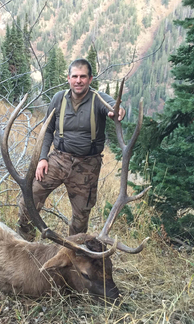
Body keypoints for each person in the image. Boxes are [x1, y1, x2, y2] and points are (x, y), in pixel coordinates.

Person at [17, 58, 126, 241]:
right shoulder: (59, 98)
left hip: (87, 166)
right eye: (74, 76)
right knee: (28, 199)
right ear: (68, 78)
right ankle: (26, 243)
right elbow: (47, 130)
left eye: (83, 77)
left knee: (80, 219)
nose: (78, 80)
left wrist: (117, 110)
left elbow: (113, 106)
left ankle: (70, 256)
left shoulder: (98, 99)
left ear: (90, 79)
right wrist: (42, 158)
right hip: (58, 159)